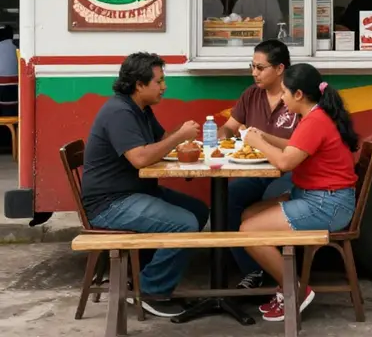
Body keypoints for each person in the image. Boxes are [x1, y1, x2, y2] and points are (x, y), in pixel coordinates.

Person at [81, 53, 209, 318]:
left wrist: (181, 140)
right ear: (139, 84)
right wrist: (180, 137)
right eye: (159, 81)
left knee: (198, 210)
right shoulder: (120, 112)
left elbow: (161, 140)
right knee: (185, 224)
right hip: (110, 203)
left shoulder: (140, 108)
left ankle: (144, 277)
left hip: (134, 192)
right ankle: (151, 292)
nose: (164, 87)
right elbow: (140, 158)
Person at [239, 63, 358, 323]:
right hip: (316, 196)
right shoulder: (315, 116)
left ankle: (296, 291)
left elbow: (285, 163)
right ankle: (286, 284)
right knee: (249, 214)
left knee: (248, 233)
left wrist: (256, 142)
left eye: (284, 93)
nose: (281, 98)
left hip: (327, 204)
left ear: (299, 95)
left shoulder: (315, 120)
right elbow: (296, 147)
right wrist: (265, 137)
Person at [218, 39, 298, 289]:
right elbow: (228, 128)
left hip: (291, 173)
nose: (254, 73)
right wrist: (223, 141)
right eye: (252, 66)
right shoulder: (251, 94)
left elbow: (302, 147)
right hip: (256, 170)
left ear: (280, 68)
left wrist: (260, 139)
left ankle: (282, 277)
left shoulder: (297, 97)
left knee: (265, 204)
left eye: (260, 68)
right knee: (226, 200)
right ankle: (254, 271)